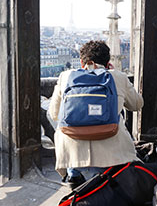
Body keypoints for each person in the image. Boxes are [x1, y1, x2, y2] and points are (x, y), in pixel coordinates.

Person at [48, 40, 144, 188]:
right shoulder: (117, 77)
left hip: (73, 156)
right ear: (107, 63)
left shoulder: (66, 76)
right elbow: (137, 105)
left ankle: (73, 176)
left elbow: (54, 114)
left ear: (82, 62)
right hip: (111, 157)